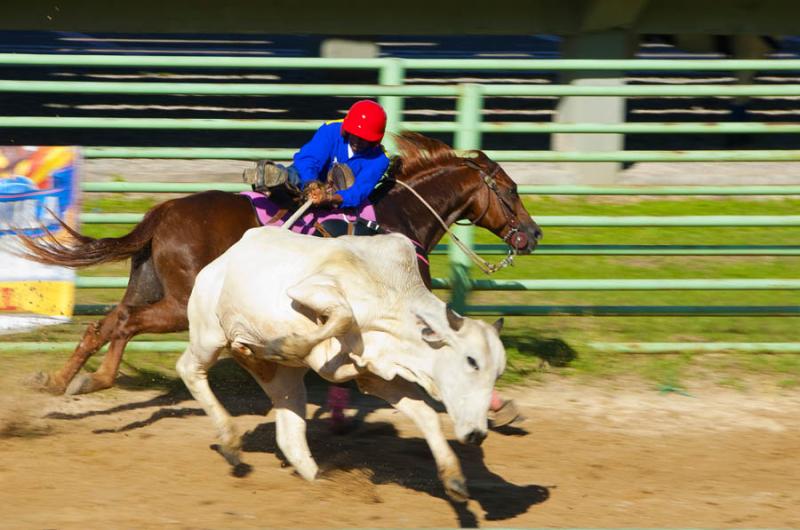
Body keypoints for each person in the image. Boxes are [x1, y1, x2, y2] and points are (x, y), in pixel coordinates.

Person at [245, 99, 391, 210]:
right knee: (295, 174)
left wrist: (329, 198)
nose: (358, 141)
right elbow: (308, 159)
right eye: (354, 135)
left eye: (364, 139)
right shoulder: (331, 130)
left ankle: (279, 182)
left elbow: (359, 190)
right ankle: (274, 177)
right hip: (309, 183)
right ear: (347, 130)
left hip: (338, 195)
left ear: (375, 140)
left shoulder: (380, 159)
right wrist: (313, 185)